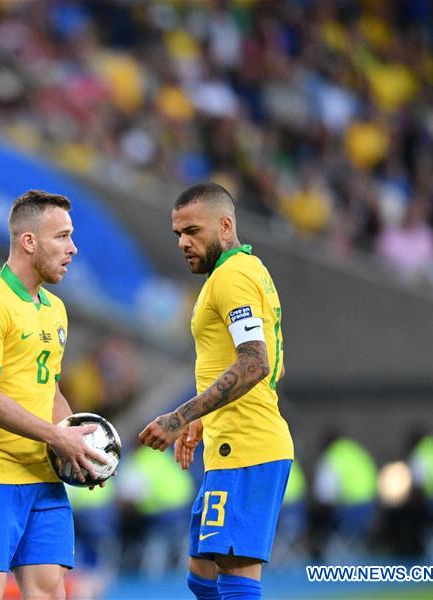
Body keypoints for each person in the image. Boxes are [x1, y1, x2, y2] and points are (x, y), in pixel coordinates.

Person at [0, 190, 109, 600]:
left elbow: (49, 389)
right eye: (63, 236)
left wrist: (79, 444)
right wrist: (55, 437)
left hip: (42, 475)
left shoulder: (55, 308)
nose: (73, 248)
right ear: (29, 242)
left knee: (51, 593)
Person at [139, 183, 293, 600]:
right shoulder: (243, 270)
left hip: (248, 446)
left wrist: (179, 416)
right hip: (231, 443)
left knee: (234, 579)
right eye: (178, 235)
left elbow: (255, 362)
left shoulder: (232, 278)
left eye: (193, 231)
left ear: (226, 226)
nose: (184, 243)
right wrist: (205, 418)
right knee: (201, 574)